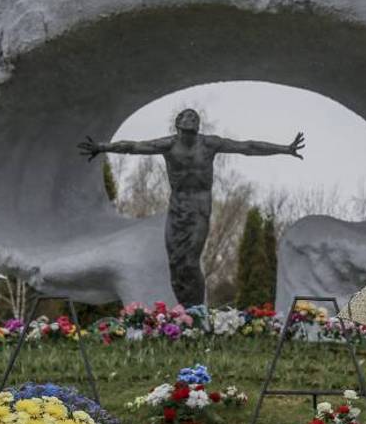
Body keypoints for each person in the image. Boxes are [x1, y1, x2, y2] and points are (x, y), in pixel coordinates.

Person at [78, 109, 304, 306]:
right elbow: (134, 147)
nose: (192, 118)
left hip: (199, 208)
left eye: (195, 116)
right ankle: (184, 312)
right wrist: (102, 147)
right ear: (178, 123)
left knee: (190, 261)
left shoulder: (209, 144)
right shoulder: (168, 144)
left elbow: (247, 147)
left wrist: (285, 148)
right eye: (187, 116)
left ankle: (196, 310)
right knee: (176, 264)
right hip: (177, 208)